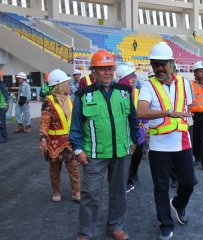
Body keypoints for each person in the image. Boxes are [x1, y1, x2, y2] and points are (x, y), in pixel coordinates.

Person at [70, 49, 139, 240]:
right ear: (93, 71)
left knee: (119, 193)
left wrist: (135, 140)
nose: (108, 72)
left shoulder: (125, 92)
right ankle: (86, 231)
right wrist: (77, 149)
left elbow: (133, 120)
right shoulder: (83, 95)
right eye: (103, 69)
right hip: (93, 154)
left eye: (110, 68)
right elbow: (75, 125)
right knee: (90, 194)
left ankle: (115, 226)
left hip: (121, 153)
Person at [137, 42, 196, 240]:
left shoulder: (185, 83)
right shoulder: (148, 85)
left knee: (189, 182)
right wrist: (168, 112)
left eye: (163, 64)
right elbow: (141, 111)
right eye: (156, 65)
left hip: (182, 142)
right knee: (161, 187)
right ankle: (165, 223)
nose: (160, 69)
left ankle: (179, 204)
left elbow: (190, 106)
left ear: (172, 63)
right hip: (159, 146)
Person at [39, 69, 80, 202]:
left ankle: (76, 193)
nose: (70, 86)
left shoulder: (69, 100)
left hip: (69, 141)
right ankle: (56, 192)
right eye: (67, 84)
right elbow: (44, 122)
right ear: (60, 86)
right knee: (55, 170)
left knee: (74, 169)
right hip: (54, 143)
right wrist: (43, 139)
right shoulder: (48, 102)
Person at [115, 62, 148, 192]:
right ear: (123, 79)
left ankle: (134, 172)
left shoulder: (139, 92)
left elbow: (143, 108)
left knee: (138, 155)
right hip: (123, 131)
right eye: (131, 75)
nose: (134, 77)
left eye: (135, 75)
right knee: (126, 157)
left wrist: (146, 125)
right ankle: (127, 180)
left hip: (138, 130)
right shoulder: (115, 94)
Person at [0, 70, 10, 143]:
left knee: (1, 123)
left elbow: (6, 95)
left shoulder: (1, 84)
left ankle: (4, 137)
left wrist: (7, 104)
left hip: (1, 106)